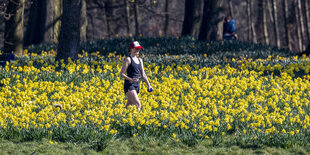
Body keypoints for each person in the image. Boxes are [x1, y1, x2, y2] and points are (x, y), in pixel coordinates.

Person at [120, 41, 153, 112]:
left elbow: (143, 74)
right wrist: (131, 79)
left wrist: (149, 85)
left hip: (137, 85)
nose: (138, 50)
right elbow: (122, 74)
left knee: (128, 107)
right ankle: (137, 120)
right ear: (131, 49)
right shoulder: (128, 59)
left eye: (139, 49)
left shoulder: (140, 60)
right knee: (138, 104)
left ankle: (119, 117)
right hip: (129, 85)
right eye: (136, 48)